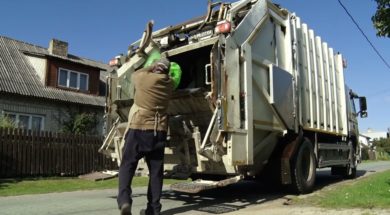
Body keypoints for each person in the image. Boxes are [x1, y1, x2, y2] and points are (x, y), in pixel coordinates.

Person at [117, 58, 174, 215]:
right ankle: (153, 209)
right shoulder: (169, 85)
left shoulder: (143, 78)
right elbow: (169, 76)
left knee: (127, 165)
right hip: (159, 133)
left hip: (138, 129)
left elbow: (135, 72)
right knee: (156, 173)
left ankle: (124, 201)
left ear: (156, 67)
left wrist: (150, 64)